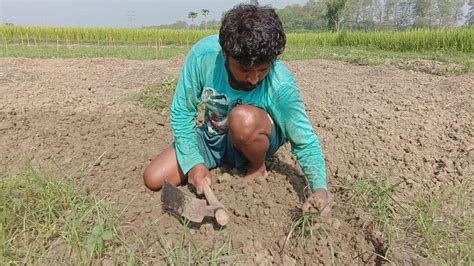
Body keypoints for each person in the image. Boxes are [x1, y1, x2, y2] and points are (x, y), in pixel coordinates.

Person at [143, 4, 330, 215]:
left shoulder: (281, 83)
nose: (253, 78)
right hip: (214, 137)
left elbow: (304, 140)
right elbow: (183, 112)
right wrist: (194, 163)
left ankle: (257, 167)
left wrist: (319, 188)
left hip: (253, 135)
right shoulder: (203, 57)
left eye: (263, 69)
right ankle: (219, 159)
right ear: (225, 54)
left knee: (243, 119)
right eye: (245, 69)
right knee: (153, 177)